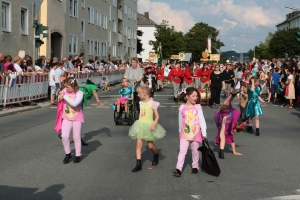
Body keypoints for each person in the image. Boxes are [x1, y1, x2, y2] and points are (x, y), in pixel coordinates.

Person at [128, 86, 166, 172]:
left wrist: (154, 124)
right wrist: (138, 122)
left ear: (144, 93)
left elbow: (157, 116)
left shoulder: (152, 103)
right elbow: (141, 114)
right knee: (138, 144)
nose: (137, 95)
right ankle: (138, 164)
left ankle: (155, 154)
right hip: (140, 124)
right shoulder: (141, 102)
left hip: (149, 125)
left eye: (139, 93)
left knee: (150, 145)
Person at [172, 87, 207, 177]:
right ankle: (178, 169)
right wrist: (180, 131)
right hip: (185, 132)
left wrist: (204, 133)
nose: (195, 98)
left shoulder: (198, 107)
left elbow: (202, 120)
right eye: (193, 96)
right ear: (187, 97)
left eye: (196, 96)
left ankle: (195, 165)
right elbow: (180, 121)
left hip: (195, 133)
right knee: (182, 151)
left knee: (195, 150)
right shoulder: (182, 108)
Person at [58, 77, 84, 164]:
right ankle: (68, 153)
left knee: (76, 137)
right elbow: (59, 100)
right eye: (65, 87)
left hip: (77, 118)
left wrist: (64, 96)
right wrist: (60, 97)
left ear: (73, 86)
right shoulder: (65, 91)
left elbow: (75, 103)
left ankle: (77, 154)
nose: (66, 88)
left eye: (68, 87)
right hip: (66, 117)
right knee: (64, 136)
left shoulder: (79, 93)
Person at [214, 88, 242, 159]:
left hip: (225, 115)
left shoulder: (230, 131)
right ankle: (232, 95)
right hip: (227, 113)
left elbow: (232, 141)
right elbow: (232, 142)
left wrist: (235, 151)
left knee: (224, 106)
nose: (234, 131)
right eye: (235, 130)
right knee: (225, 105)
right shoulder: (231, 130)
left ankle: (232, 95)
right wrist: (234, 151)